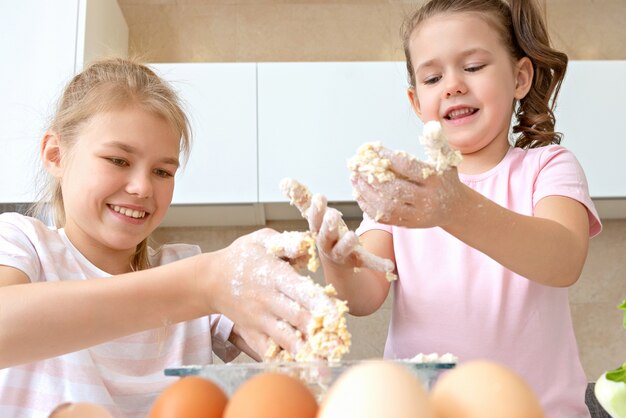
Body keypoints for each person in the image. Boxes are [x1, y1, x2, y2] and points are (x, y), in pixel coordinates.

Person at [309, 1, 602, 417]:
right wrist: (335, 259)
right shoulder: (403, 188)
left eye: (474, 67)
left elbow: (564, 259)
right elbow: (363, 296)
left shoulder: (547, 167)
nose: (452, 85)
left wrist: (454, 208)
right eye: (433, 77)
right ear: (416, 101)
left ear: (519, 77)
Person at [0, 58, 337, 418]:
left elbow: (295, 361)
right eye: (117, 160)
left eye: (162, 171)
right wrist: (202, 283)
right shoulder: (23, 243)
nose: (143, 187)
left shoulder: (184, 268)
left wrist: (298, 310)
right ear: (56, 155)